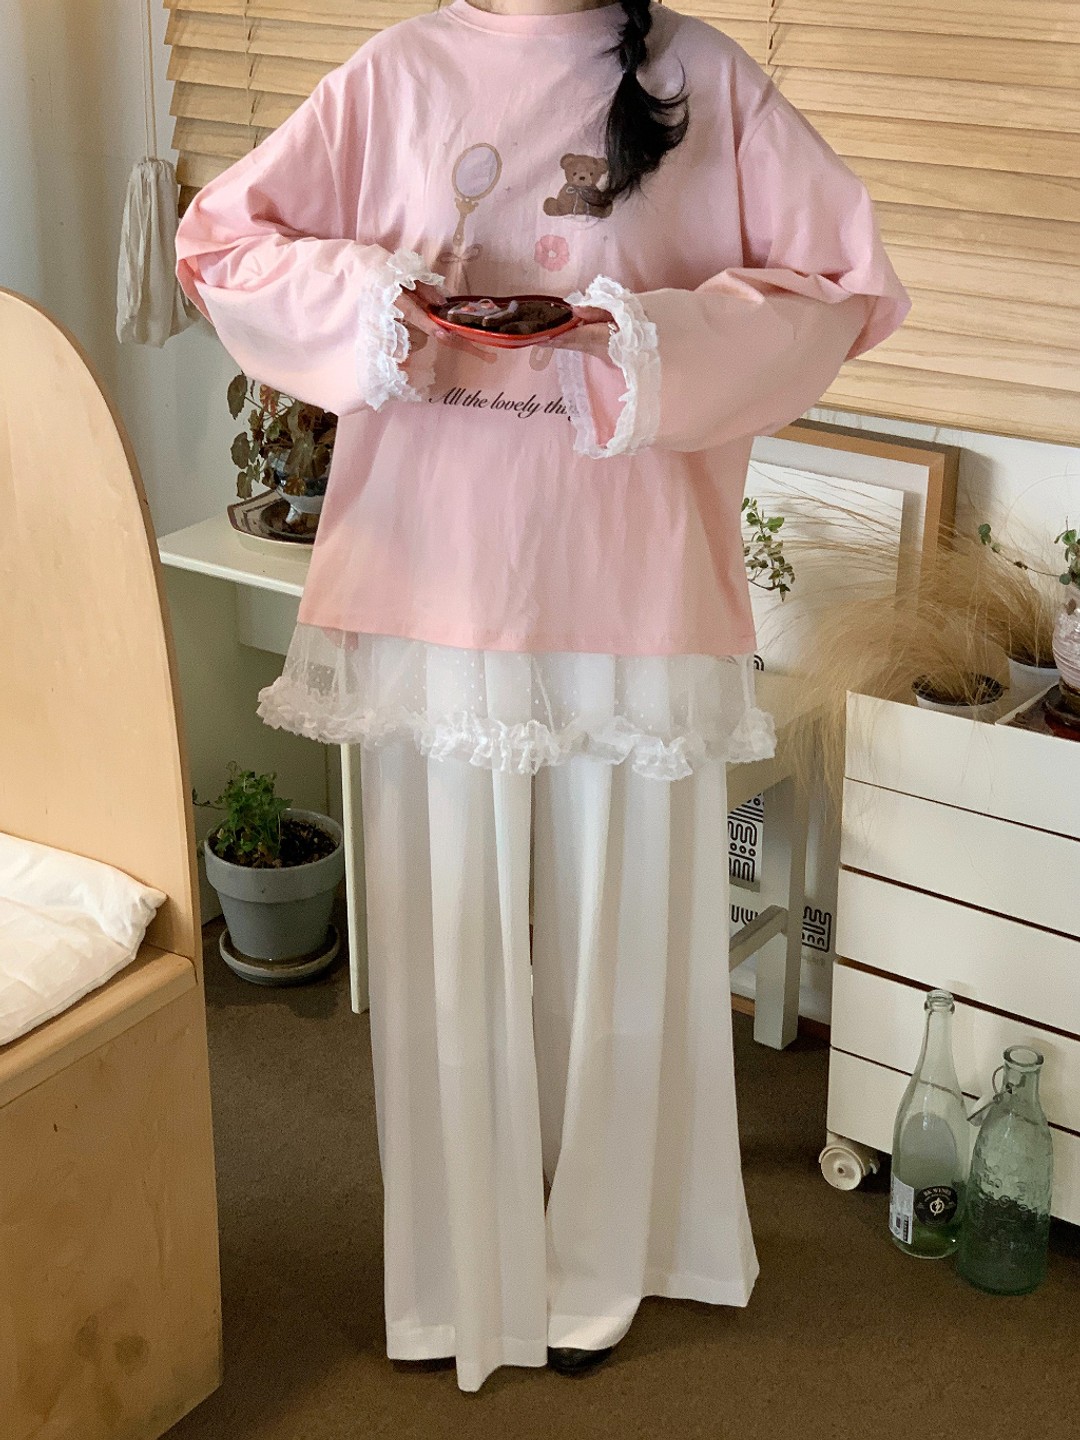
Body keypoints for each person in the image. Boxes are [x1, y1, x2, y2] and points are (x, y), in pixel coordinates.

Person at [176, 0, 909, 1393]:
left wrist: (632, 337)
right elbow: (220, 245)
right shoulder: (400, 72)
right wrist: (377, 301)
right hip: (432, 583)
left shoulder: (703, 77)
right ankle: (454, 1278)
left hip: (631, 587)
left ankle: (604, 1266)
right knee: (442, 948)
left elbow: (842, 286)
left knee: (622, 946)